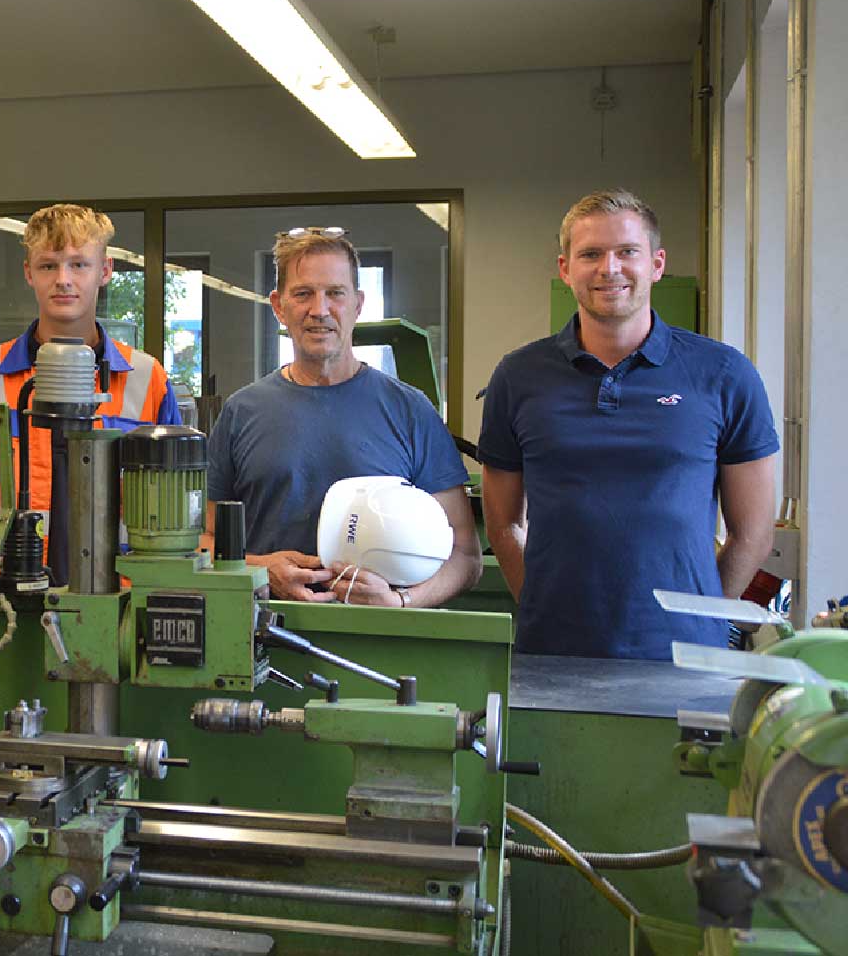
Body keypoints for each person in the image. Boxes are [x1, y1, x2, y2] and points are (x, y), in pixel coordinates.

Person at [478, 189, 778, 660]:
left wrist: (701, 615)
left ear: (656, 264)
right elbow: (502, 525)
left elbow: (754, 533)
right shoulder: (518, 377)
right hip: (553, 654)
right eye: (591, 254)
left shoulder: (723, 374)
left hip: (685, 658)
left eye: (627, 252)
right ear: (565, 269)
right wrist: (543, 605)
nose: (609, 268)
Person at [207, 227, 481, 607]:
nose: (319, 310)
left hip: (377, 644)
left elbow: (465, 554)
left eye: (335, 293)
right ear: (278, 305)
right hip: (263, 640)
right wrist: (256, 569)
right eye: (303, 293)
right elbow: (202, 541)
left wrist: (401, 602)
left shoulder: (409, 411)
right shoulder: (241, 412)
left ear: (358, 303)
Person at [0, 203, 180, 503]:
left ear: (105, 271)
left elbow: (173, 505)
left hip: (119, 553)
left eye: (78, 264)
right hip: (11, 553)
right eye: (48, 265)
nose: (63, 279)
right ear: (29, 273)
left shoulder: (147, 380)